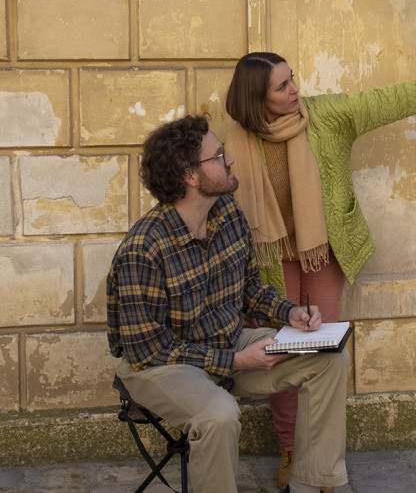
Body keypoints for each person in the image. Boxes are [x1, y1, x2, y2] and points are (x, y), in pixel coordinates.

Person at [223, 48, 416, 489]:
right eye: (283, 86)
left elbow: (387, 99)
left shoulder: (325, 116)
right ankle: (290, 449)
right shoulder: (232, 145)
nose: (295, 91)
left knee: (321, 353)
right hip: (268, 260)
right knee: (283, 353)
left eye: (294, 80)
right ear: (257, 99)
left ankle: (320, 461)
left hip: (321, 251)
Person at [106, 114, 350, 493]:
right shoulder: (144, 249)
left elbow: (249, 286)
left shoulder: (227, 213)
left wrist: (291, 313)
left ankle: (310, 485)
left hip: (227, 343)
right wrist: (237, 362)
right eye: (219, 155)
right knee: (219, 414)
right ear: (190, 174)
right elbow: (148, 349)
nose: (231, 159)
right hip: (161, 367)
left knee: (328, 357)